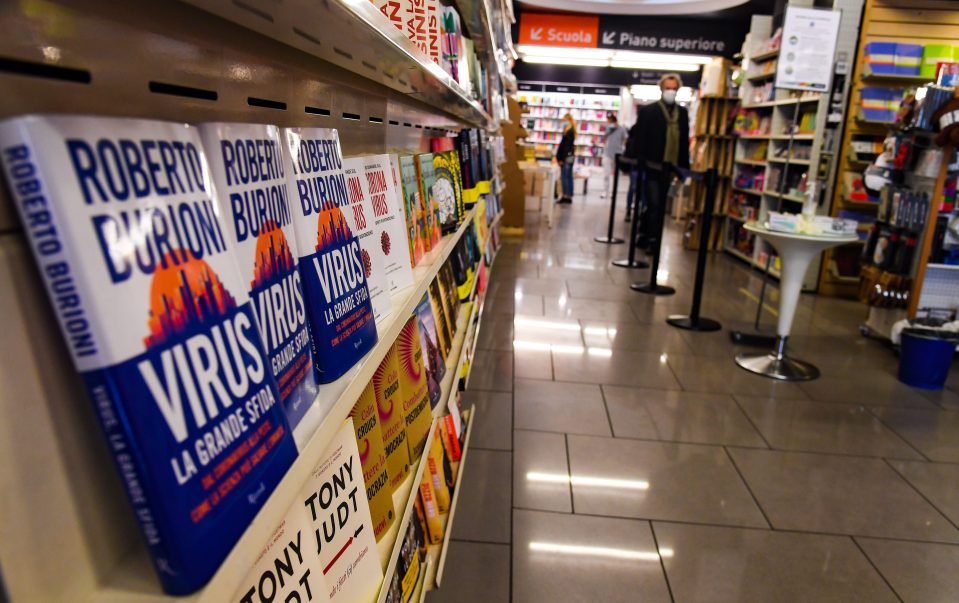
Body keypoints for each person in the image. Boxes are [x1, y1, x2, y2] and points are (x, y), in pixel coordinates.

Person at [624, 73, 690, 240]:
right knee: (654, 203)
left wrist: (684, 169)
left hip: (670, 168)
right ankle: (653, 238)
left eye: (674, 89)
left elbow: (683, 141)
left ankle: (645, 232)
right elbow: (641, 138)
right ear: (661, 89)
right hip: (651, 167)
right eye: (668, 88)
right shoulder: (649, 111)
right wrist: (639, 161)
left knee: (658, 204)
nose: (671, 92)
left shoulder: (682, 114)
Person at [601, 114, 627, 199]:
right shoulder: (608, 128)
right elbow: (604, 138)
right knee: (606, 174)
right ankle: (605, 191)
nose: (608, 122)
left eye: (609, 121)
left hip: (617, 154)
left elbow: (625, 138)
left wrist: (622, 147)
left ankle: (613, 192)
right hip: (607, 154)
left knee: (616, 175)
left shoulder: (622, 128)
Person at [555, 113, 576, 204]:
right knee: (569, 176)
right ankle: (569, 194)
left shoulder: (568, 132)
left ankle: (566, 196)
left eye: (564, 121)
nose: (563, 123)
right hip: (570, 156)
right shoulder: (572, 131)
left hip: (566, 156)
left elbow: (565, 147)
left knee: (565, 177)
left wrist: (561, 158)